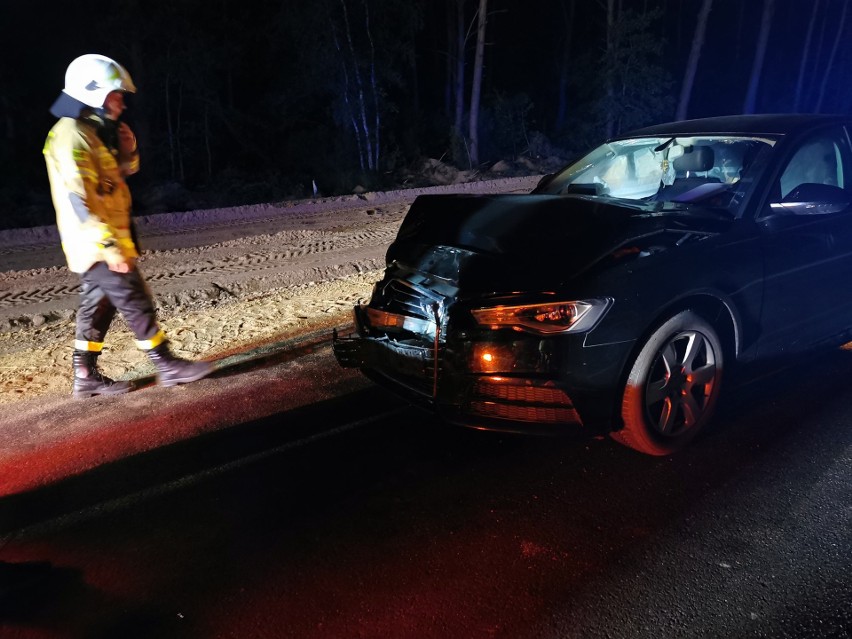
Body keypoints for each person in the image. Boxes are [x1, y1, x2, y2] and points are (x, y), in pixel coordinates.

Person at [44, 54, 213, 398]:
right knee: (134, 296)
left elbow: (117, 176)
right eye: (114, 94)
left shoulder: (90, 130)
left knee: (99, 303)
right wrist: (107, 245)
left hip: (104, 236)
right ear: (92, 93)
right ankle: (165, 363)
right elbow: (80, 199)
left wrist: (126, 149)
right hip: (96, 239)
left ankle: (84, 375)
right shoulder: (72, 136)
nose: (121, 101)